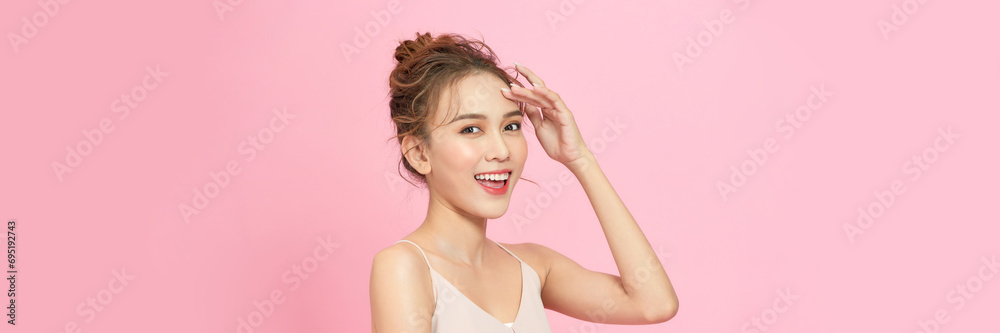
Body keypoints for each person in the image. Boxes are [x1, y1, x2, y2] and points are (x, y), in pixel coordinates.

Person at [370, 32, 678, 332]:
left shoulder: (534, 266)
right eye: (471, 129)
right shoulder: (404, 267)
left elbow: (653, 304)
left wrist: (580, 159)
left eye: (511, 125)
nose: (502, 151)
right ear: (419, 153)